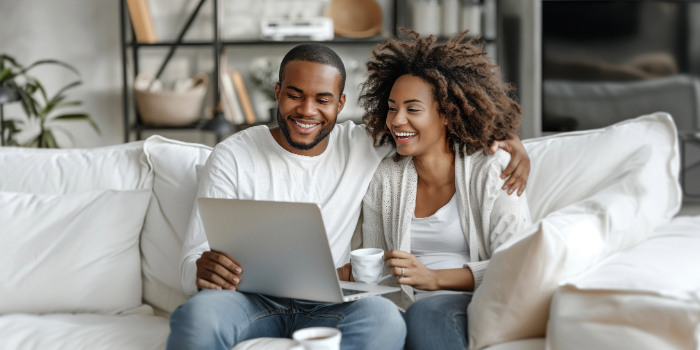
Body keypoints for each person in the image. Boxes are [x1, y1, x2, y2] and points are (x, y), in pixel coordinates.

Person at [166, 42, 530, 350]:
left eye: (322, 99)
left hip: (332, 303)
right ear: (278, 92)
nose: (307, 111)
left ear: (340, 105)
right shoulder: (231, 156)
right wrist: (201, 269)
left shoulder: (362, 144)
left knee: (383, 319)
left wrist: (508, 141)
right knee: (198, 316)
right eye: (295, 95)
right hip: (249, 300)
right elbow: (191, 259)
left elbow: (441, 126)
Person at [352, 30, 533, 350]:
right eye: (392, 108)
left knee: (426, 314)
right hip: (402, 309)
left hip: (468, 303)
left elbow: (517, 264)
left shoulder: (492, 170)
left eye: (412, 108)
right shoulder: (384, 177)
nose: (397, 120)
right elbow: (378, 271)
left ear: (447, 114)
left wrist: (435, 279)